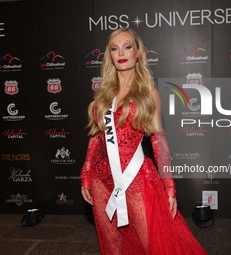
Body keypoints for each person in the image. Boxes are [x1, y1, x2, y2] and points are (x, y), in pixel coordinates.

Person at [80, 27, 207, 255]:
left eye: (127, 47)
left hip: (135, 178)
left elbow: (159, 141)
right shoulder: (103, 93)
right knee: (111, 242)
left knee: (152, 241)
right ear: (109, 55)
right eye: (114, 48)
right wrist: (86, 175)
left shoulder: (148, 92)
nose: (121, 52)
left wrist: (169, 187)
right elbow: (96, 138)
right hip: (101, 179)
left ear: (138, 53)